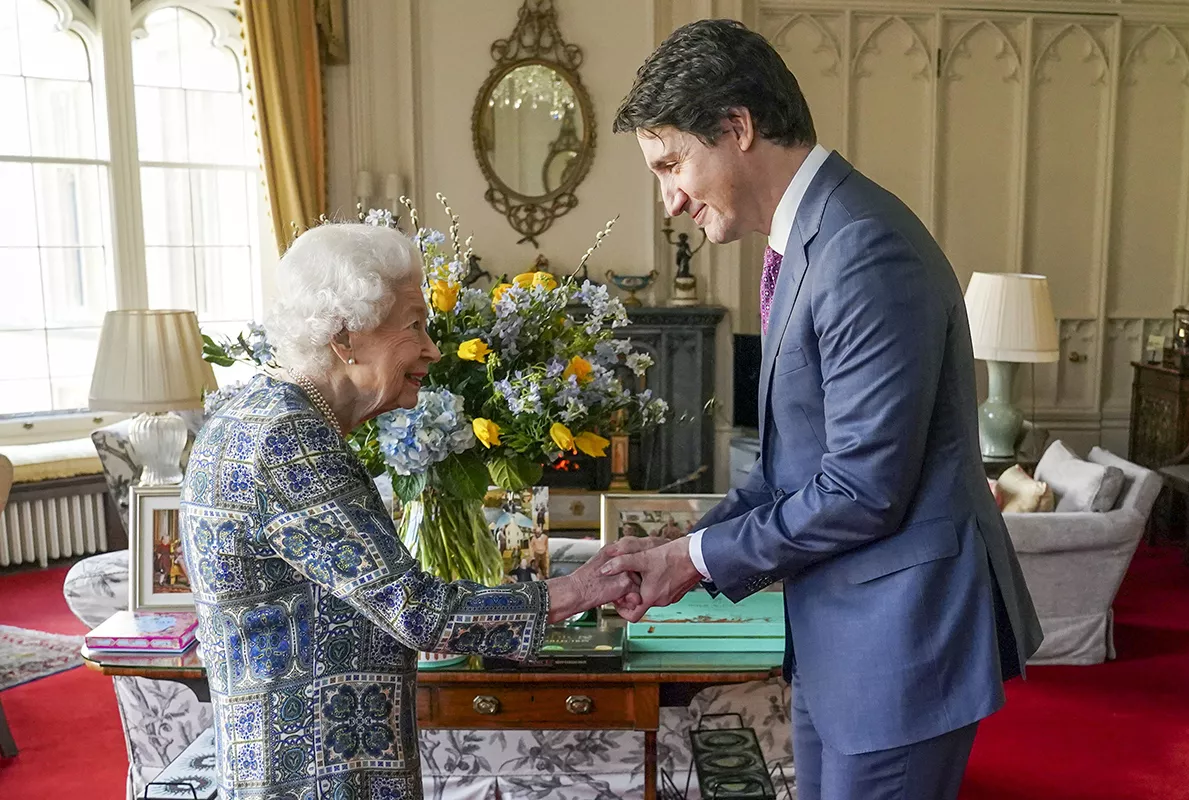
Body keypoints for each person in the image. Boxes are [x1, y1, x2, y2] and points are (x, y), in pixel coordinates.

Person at [605, 19, 1043, 800]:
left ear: (737, 127)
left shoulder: (864, 246)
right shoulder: (807, 239)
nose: (669, 198)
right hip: (844, 637)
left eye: (672, 163)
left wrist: (689, 563)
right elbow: (791, 468)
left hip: (901, 643)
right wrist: (681, 546)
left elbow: (862, 492)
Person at [178, 223, 637, 800]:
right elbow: (417, 611)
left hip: (288, 766)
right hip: (317, 775)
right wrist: (580, 590)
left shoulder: (255, 413)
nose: (433, 350)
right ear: (347, 336)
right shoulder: (287, 438)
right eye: (415, 325)